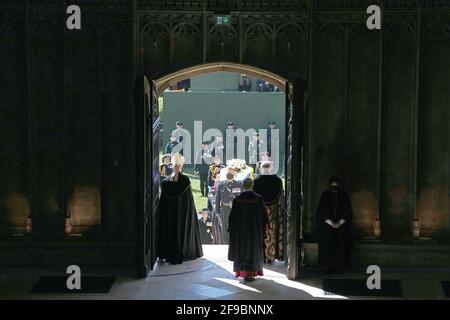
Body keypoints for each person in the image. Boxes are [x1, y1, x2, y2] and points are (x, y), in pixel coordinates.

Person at [156, 153, 203, 264]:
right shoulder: (185, 181)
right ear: (181, 166)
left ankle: (167, 252)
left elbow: (162, 203)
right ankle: (183, 251)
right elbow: (189, 201)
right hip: (182, 215)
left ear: (173, 166)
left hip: (168, 216)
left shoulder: (166, 182)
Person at [228, 178, 268, 281]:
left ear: (242, 185)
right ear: (252, 185)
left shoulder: (237, 199)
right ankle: (252, 272)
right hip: (255, 232)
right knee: (253, 250)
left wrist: (232, 230)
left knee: (242, 250)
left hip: (240, 233)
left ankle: (243, 272)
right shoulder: (258, 199)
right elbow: (264, 216)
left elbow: (232, 218)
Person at [315, 176, 354, 274]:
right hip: (328, 227)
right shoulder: (326, 195)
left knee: (340, 246)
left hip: (340, 227)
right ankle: (328, 266)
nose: (334, 188)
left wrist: (339, 222)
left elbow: (347, 211)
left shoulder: (343, 196)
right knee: (329, 246)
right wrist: (332, 222)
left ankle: (339, 267)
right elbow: (321, 211)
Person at [253, 161, 285, 263]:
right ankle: (272, 254)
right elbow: (281, 202)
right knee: (272, 234)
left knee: (260, 234)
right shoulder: (278, 182)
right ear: (271, 168)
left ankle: (261, 255)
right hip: (273, 215)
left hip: (259, 214)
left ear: (261, 168)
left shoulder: (255, 181)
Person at [215, 168, 242, 244]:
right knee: (225, 227)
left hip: (235, 209)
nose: (229, 174)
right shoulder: (221, 184)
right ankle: (226, 244)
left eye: (231, 172)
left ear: (234, 174)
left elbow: (241, 198)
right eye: (228, 172)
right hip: (224, 209)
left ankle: (234, 244)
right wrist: (217, 211)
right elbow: (217, 198)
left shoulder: (239, 184)